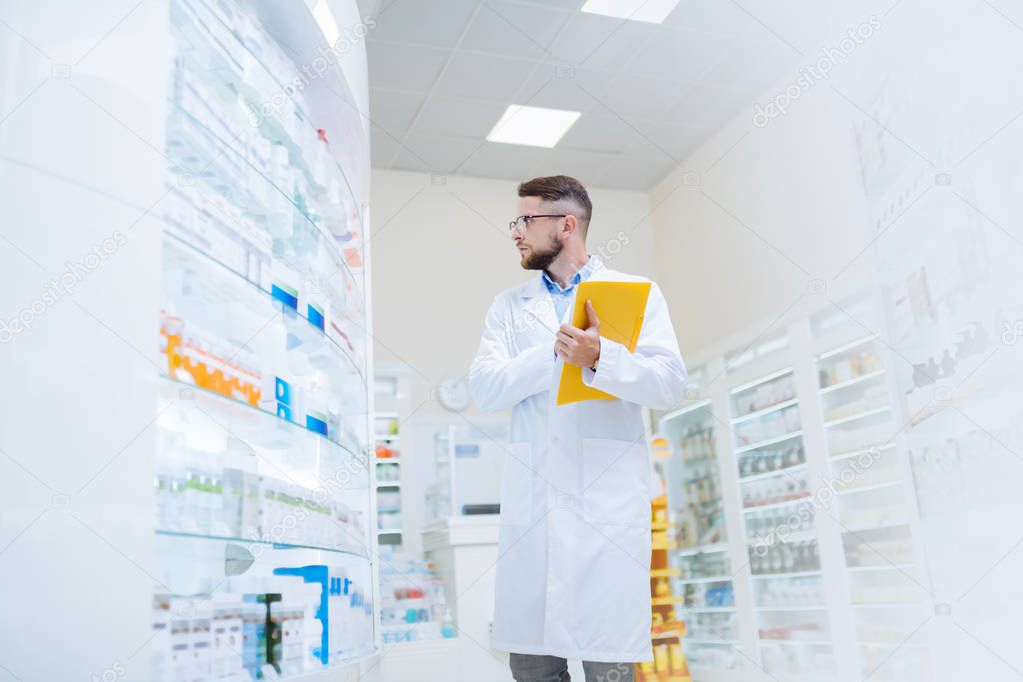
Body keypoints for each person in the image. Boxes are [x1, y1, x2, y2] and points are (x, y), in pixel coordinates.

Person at [469, 175, 688, 681]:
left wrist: (601, 358)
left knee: (609, 667)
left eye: (526, 220)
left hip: (603, 521)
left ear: (567, 225)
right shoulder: (508, 308)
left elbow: (669, 384)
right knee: (533, 669)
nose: (516, 232)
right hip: (534, 519)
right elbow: (485, 388)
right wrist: (551, 354)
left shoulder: (636, 294)